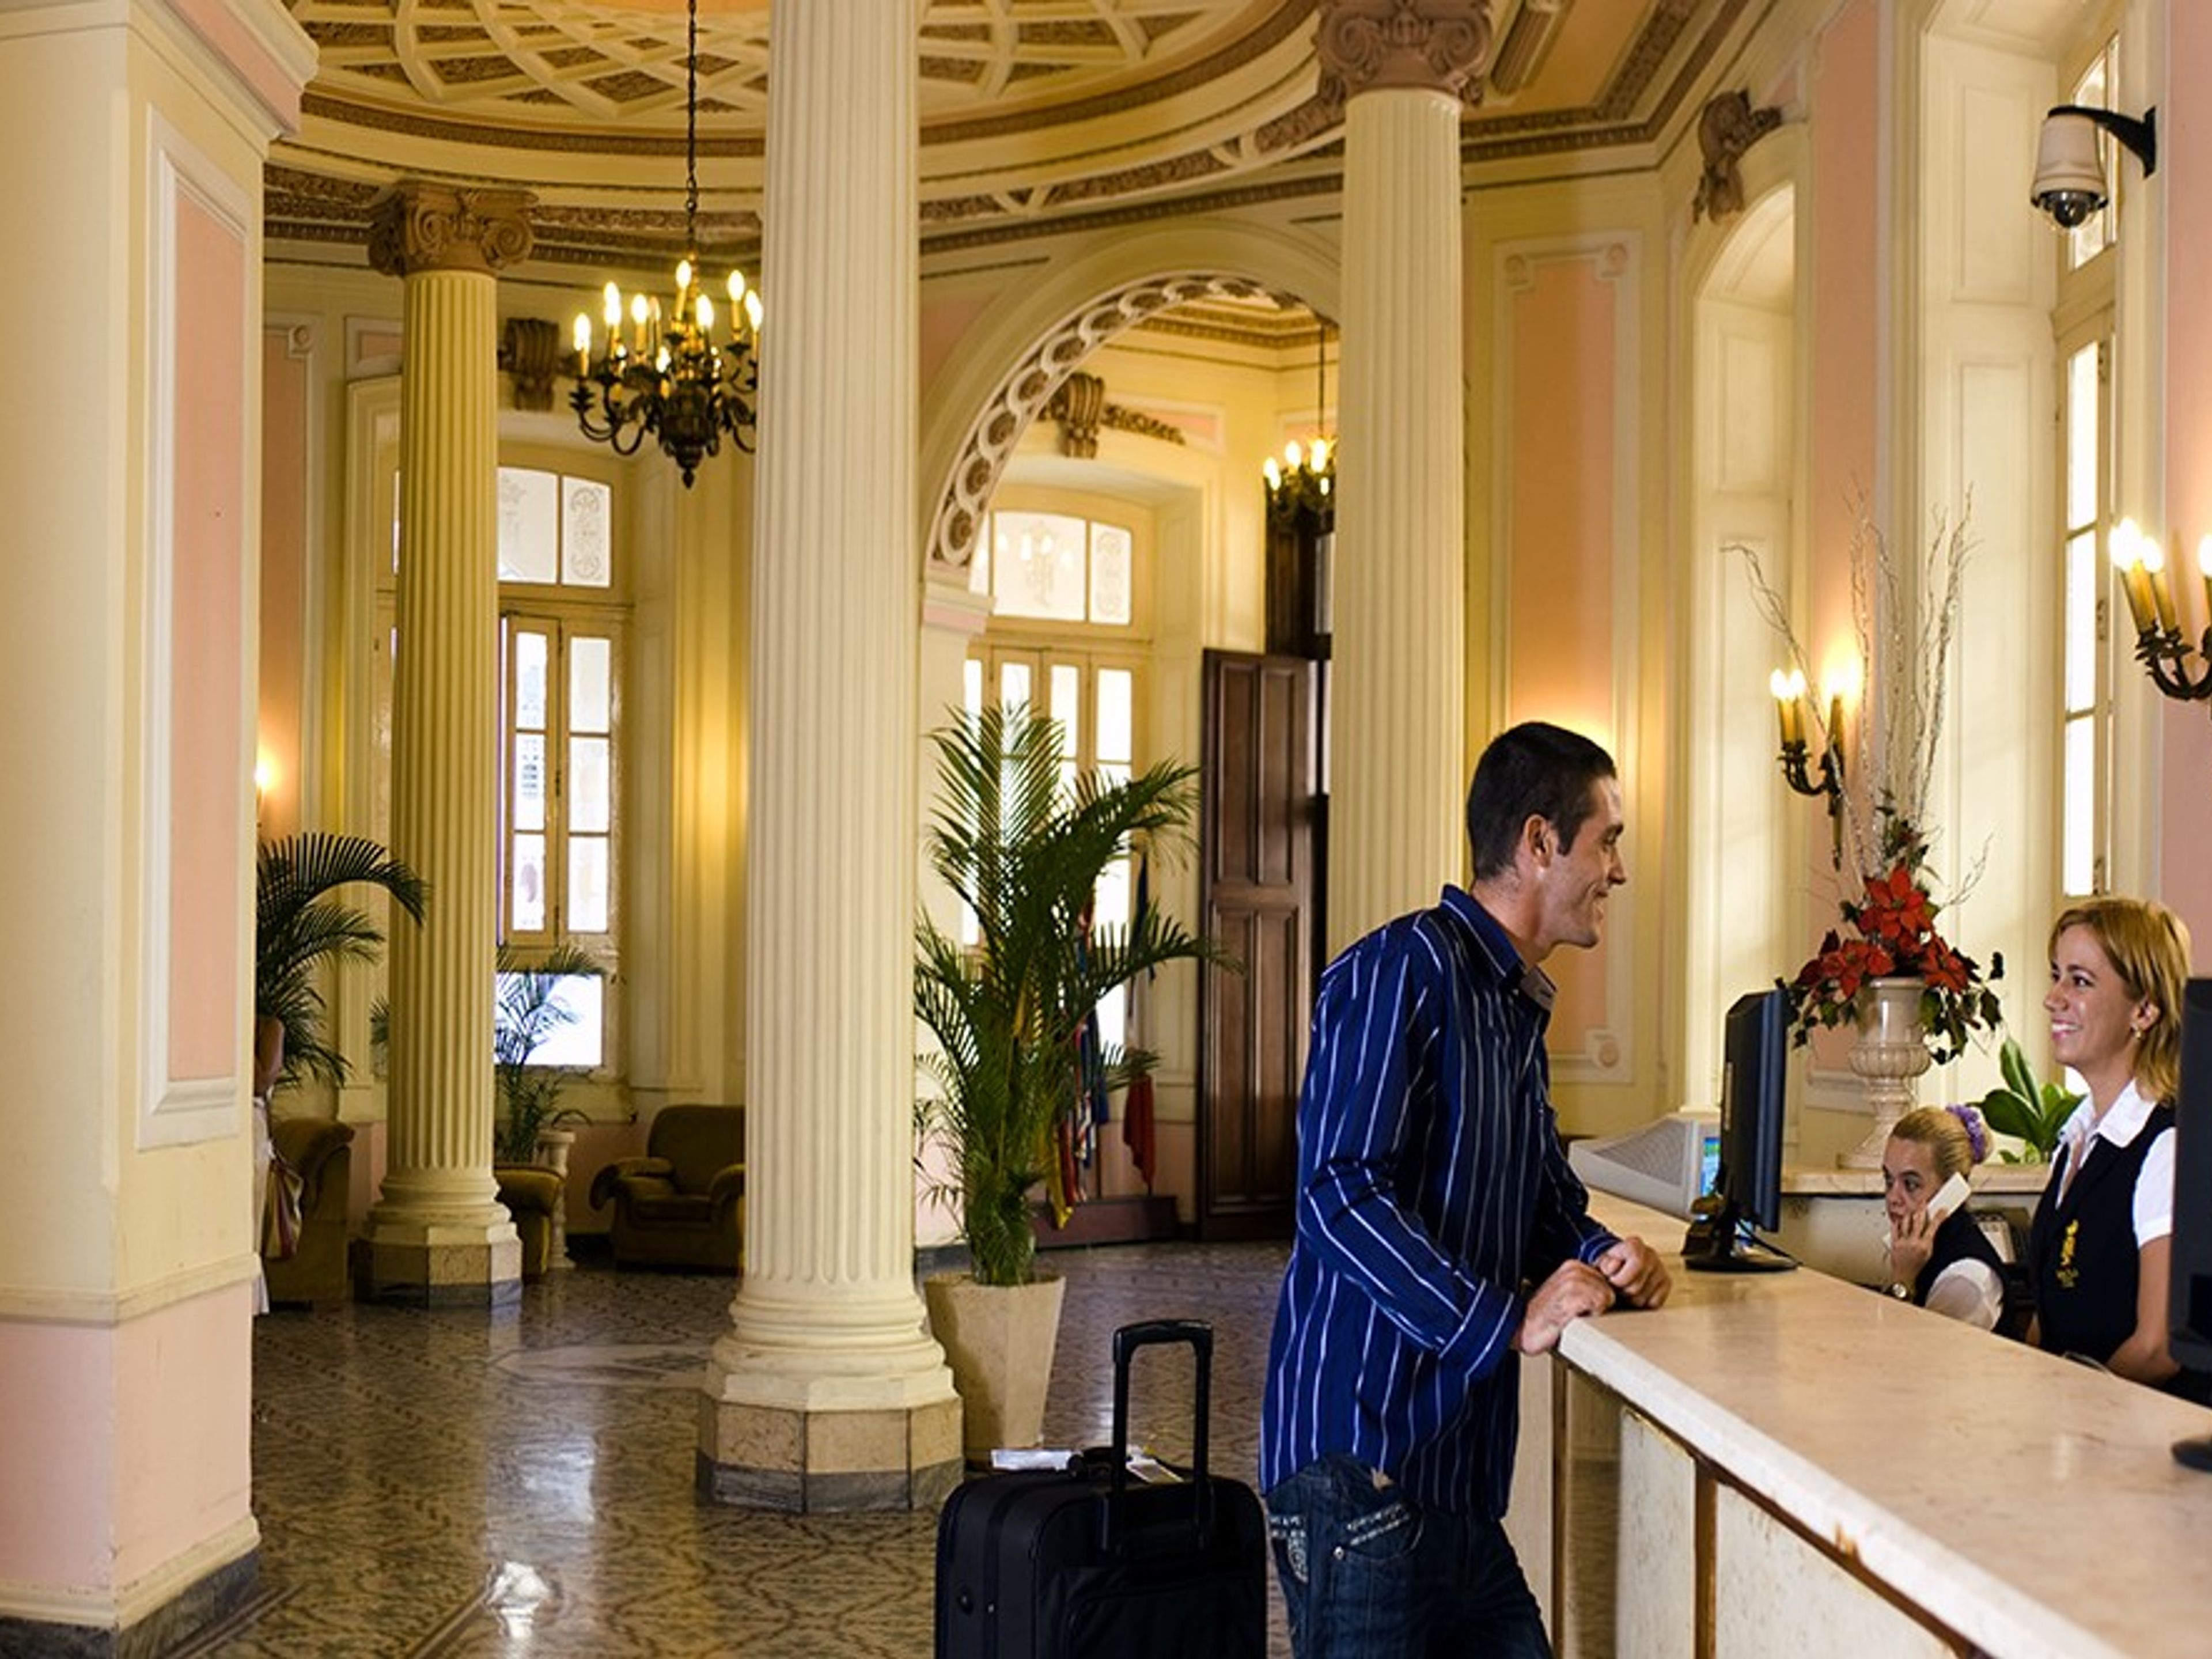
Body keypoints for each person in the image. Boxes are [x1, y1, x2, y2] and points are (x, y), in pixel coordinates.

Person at [1259, 721, 1672, 1659]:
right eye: (1607, 840)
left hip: (1452, 1485)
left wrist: (1604, 1256)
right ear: (1538, 843)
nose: (1619, 869)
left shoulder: (1513, 1007)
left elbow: (1541, 1207)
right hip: (1357, 1468)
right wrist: (1508, 1322)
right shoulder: (1397, 971)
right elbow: (1339, 1196)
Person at [2026, 897, 2209, 1401]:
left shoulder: (2166, 1145)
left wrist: (2063, 1411)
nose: (2053, 998)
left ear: (2145, 1009)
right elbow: (2050, 1315)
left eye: (2080, 981)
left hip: (2138, 1445)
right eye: (2056, 974)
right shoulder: (2079, 1136)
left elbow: (2158, 1347)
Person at [1881, 1105, 2005, 1329]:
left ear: (1952, 1190)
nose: (1893, 1198)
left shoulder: (1967, 1278)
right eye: (1889, 1180)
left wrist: (1903, 1279)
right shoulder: (1917, 1250)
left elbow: (1907, 1353)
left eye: (1911, 1184)